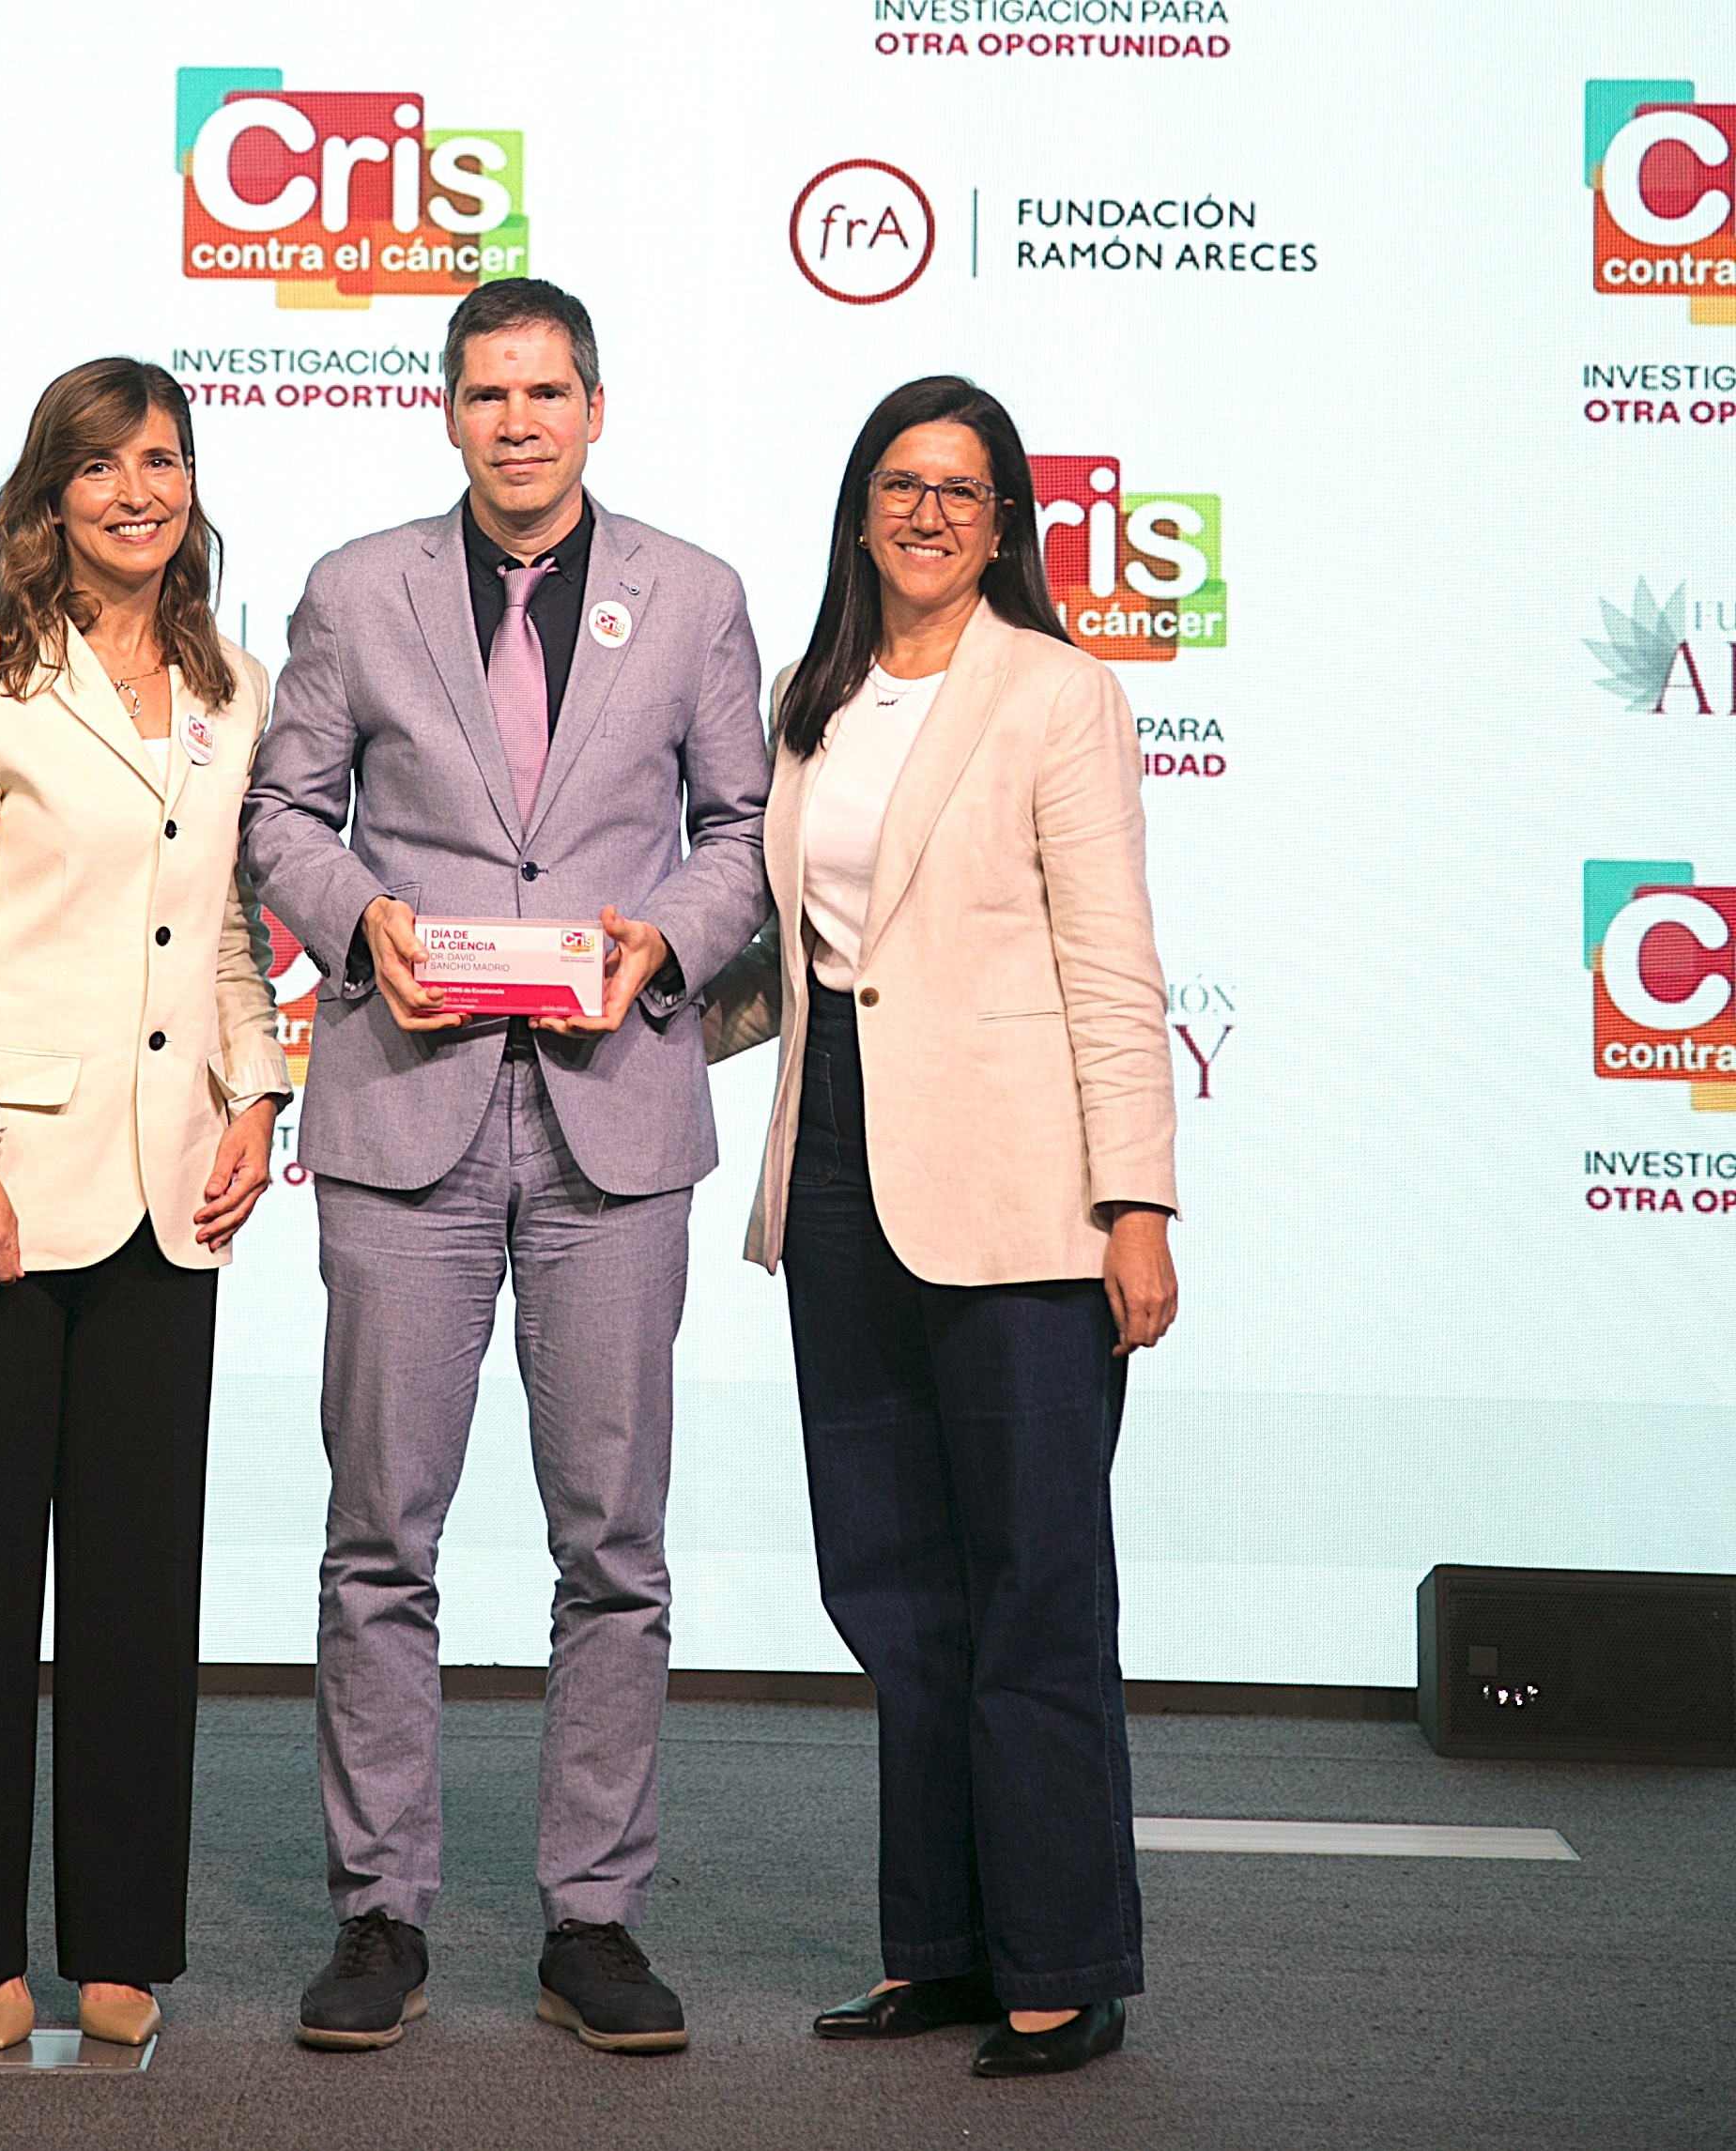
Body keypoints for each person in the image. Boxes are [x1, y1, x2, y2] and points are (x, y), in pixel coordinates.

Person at [239, 279, 770, 2055]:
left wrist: (664, 944)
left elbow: (743, 835)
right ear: (446, 410)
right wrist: (362, 921)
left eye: (550, 392)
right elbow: (282, 819)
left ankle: (594, 1921)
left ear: (598, 408)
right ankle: (379, 1914)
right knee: (379, 1537)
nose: (520, 422)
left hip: (617, 1113)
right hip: (405, 1108)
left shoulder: (692, 593)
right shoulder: (353, 587)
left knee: (612, 1544)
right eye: (489, 393)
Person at [705, 376, 1178, 2079]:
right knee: (894, 1589)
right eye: (902, 484)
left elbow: (1113, 969)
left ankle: (1062, 1960)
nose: (927, 513)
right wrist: (615, 998)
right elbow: (801, 962)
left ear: (1002, 526)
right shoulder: (806, 698)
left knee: (1035, 1584)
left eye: (962, 492)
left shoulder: (1059, 695)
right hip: (833, 1178)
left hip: (1024, 1199)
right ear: (859, 509)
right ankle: (940, 1952)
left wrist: (1137, 1203)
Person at [0, 357, 291, 2052]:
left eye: (168, 460)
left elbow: (233, 928)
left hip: (165, 1186)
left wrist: (262, 1088)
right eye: (107, 464)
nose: (143, 489)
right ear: (48, 494)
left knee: (138, 1592)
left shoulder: (230, 684)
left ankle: (124, 1944)